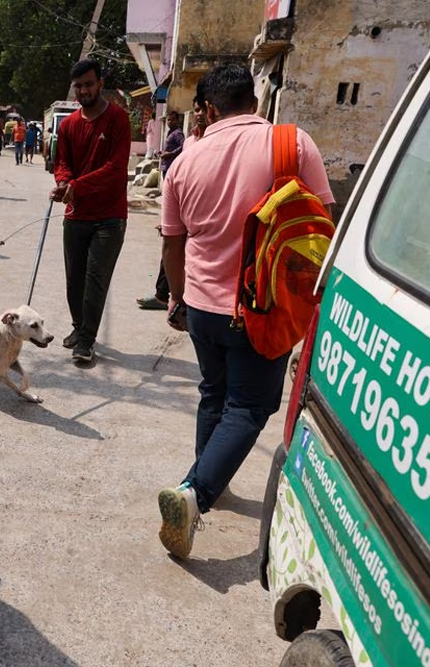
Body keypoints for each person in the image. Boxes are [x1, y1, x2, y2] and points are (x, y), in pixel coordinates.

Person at [157, 63, 335, 560]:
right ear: (252, 101)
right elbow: (324, 223)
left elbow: (173, 244)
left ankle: (203, 474)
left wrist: (176, 299)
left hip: (200, 305)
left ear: (208, 109)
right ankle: (196, 493)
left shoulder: (184, 162)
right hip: (265, 306)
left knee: (214, 391)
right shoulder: (292, 144)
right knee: (249, 406)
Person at [50, 59, 130, 364]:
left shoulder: (118, 119)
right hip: (76, 214)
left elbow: (115, 168)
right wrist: (63, 183)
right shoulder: (69, 125)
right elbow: (62, 163)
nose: (83, 90)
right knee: (75, 278)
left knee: (96, 277)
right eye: (79, 85)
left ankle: (86, 340)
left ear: (100, 83)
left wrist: (76, 186)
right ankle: (77, 327)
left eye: (89, 84)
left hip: (109, 216)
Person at [137, 97, 208, 312]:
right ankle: (165, 295)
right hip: (184, 204)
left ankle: (179, 297)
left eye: (202, 109)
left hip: (205, 212)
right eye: (196, 110)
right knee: (171, 251)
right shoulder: (190, 140)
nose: (199, 114)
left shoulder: (216, 142)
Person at [159, 110, 185, 179]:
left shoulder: (178, 133)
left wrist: (171, 154)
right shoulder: (170, 132)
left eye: (172, 120)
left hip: (172, 166)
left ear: (177, 120)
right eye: (168, 120)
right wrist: (162, 153)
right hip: (166, 165)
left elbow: (183, 147)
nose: (170, 122)